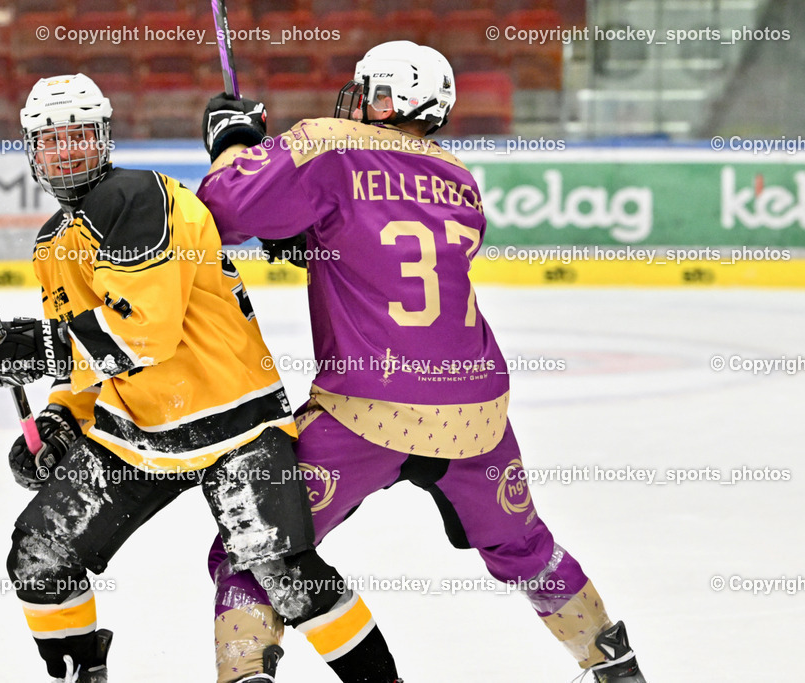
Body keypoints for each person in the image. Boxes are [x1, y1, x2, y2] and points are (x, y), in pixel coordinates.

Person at [196, 42, 648, 683]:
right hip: (474, 409)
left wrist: (234, 140)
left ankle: (244, 673)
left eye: (369, 91)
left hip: (367, 408)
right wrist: (315, 241)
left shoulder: (330, 142)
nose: (356, 101)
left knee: (253, 545)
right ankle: (615, 665)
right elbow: (384, 244)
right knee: (525, 547)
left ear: (392, 99)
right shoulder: (459, 179)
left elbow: (226, 208)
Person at [0, 74, 402, 683]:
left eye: (80, 137)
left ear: (105, 139)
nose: (67, 151)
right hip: (136, 434)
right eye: (52, 139)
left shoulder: (138, 198)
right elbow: (90, 366)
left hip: (237, 423)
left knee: (284, 572)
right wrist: (60, 421)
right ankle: (80, 675)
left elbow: (144, 333)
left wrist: (42, 348)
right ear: (32, 151)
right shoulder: (54, 243)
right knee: (40, 556)